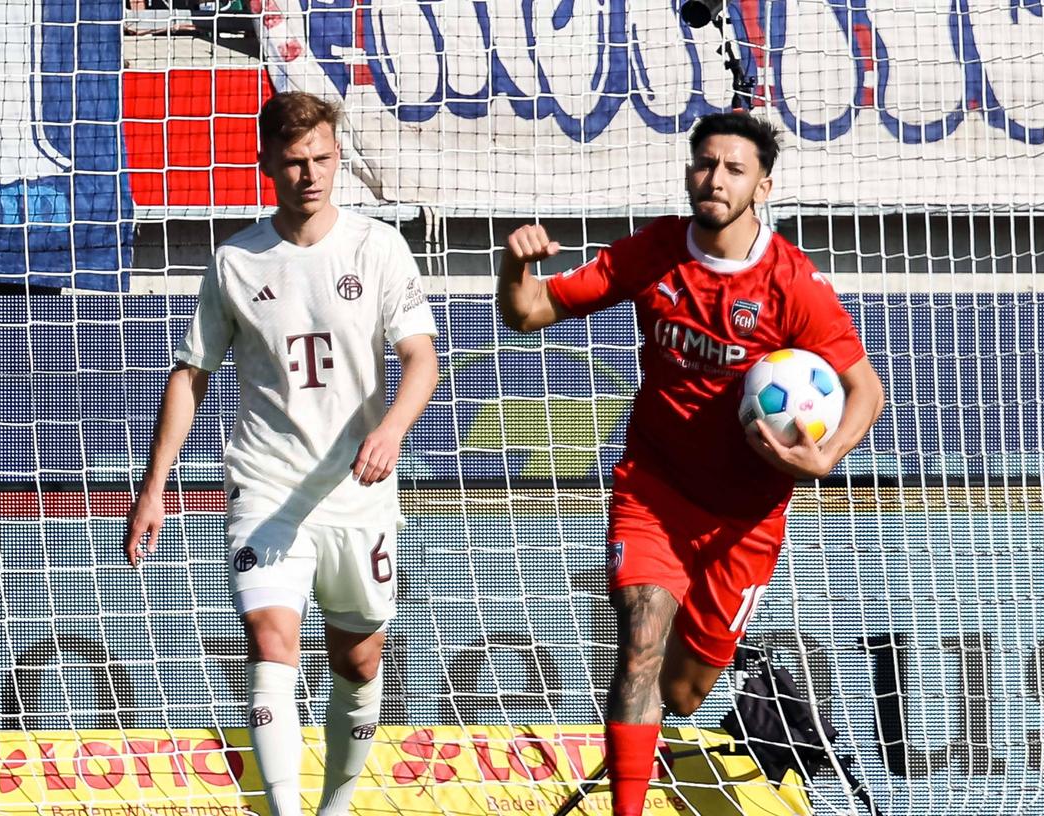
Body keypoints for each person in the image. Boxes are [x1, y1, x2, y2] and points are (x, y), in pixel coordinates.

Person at [497, 111, 884, 815]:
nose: (716, 179)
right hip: (655, 490)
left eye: (735, 169)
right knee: (639, 645)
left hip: (745, 521)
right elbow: (527, 315)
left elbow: (866, 388)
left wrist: (825, 455)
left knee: (682, 693)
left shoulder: (791, 285)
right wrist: (515, 264)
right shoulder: (653, 253)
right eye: (706, 164)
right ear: (687, 172)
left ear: (763, 186)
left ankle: (724, 671)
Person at [124, 91, 438, 816]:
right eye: (294, 162)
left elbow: (420, 357)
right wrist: (154, 486)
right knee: (271, 644)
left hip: (356, 494)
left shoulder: (376, 247)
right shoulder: (235, 260)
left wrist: (390, 429)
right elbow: (191, 372)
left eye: (323, 159)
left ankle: (338, 802)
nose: (311, 175)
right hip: (265, 486)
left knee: (357, 660)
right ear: (265, 162)